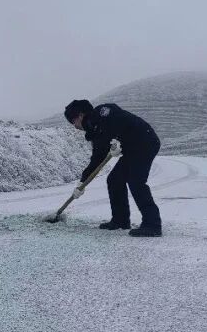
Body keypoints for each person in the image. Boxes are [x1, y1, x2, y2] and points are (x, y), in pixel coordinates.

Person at [64, 99, 163, 237]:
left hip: (145, 142)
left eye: (73, 121)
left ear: (80, 115)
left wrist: (116, 137)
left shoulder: (102, 112)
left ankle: (152, 225)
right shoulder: (94, 131)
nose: (74, 126)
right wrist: (82, 182)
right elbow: (97, 159)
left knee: (136, 181)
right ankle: (120, 220)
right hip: (131, 149)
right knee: (114, 180)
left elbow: (117, 114)